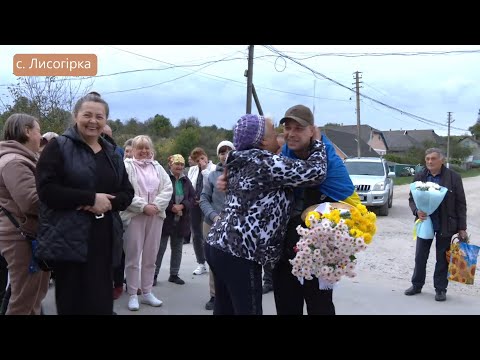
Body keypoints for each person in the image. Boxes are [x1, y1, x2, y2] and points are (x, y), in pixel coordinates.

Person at [205, 114, 327, 315]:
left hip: (218, 245)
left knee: (225, 309)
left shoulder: (240, 159)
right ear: (262, 141)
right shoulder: (264, 162)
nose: (280, 134)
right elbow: (315, 172)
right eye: (273, 131)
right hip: (240, 252)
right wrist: (318, 142)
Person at [35, 92, 134, 315]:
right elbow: (46, 190)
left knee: (100, 303)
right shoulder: (58, 147)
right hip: (69, 238)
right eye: (87, 115)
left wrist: (108, 203)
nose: (93, 121)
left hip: (105, 237)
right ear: (75, 116)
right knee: (73, 304)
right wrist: (90, 199)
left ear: (106, 120)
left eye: (99, 117)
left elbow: (127, 192)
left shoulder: (112, 153)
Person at [273, 104, 359, 315]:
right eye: (288, 128)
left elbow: (346, 197)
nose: (291, 134)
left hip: (317, 251)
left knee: (320, 306)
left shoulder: (329, 159)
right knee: (286, 305)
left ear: (313, 130)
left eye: (299, 128)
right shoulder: (285, 153)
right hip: (285, 248)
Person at [0, 113, 50, 315]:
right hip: (22, 238)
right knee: (24, 299)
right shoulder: (15, 162)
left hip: (26, 236)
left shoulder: (20, 159)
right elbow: (31, 202)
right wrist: (66, 200)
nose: (41, 137)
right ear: (27, 131)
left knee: (33, 295)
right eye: (38, 131)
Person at [405, 147, 467, 302]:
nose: (430, 162)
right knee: (420, 256)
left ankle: (440, 289)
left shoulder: (453, 177)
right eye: (427, 159)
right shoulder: (420, 176)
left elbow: (461, 204)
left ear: (442, 160)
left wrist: (462, 228)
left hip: (445, 223)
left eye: (433, 158)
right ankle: (417, 285)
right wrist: (416, 211)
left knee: (442, 258)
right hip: (424, 222)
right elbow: (412, 198)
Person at [120, 135, 172, 311]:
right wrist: (143, 207)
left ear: (151, 150)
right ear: (133, 150)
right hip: (134, 216)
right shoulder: (126, 166)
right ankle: (133, 293)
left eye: (146, 148)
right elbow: (124, 191)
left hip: (156, 216)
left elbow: (167, 188)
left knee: (151, 255)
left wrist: (156, 206)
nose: (143, 151)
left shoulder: (158, 167)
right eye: (139, 148)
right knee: (133, 256)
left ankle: (147, 291)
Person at [199, 140, 234, 310]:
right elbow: (204, 198)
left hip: (235, 226)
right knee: (214, 261)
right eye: (222, 151)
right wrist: (214, 216)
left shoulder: (241, 173)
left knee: (233, 262)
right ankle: (215, 295)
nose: (225, 155)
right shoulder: (212, 175)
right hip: (212, 224)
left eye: (228, 151)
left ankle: (232, 294)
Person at [154, 154, 195, 286]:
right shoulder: (164, 178)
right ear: (170, 165)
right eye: (177, 164)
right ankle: (153, 275)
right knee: (160, 248)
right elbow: (159, 195)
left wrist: (183, 206)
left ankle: (174, 274)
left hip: (181, 220)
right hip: (166, 219)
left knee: (177, 248)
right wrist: (171, 207)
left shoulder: (186, 181)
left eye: (182, 164)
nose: (179, 167)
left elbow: (192, 198)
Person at [262, 133, 286, 294]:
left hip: (284, 218)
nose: (278, 153)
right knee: (266, 249)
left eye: (281, 150)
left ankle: (280, 280)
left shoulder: (288, 166)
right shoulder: (267, 166)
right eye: (276, 150)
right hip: (267, 218)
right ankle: (268, 280)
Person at [187, 147, 216, 276]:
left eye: (202, 158)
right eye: (197, 160)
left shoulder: (213, 169)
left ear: (206, 156)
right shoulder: (192, 170)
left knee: (209, 234)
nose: (200, 161)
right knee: (196, 234)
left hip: (208, 204)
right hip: (194, 204)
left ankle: (212, 262)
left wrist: (204, 170)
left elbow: (210, 184)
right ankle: (200, 263)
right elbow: (190, 186)